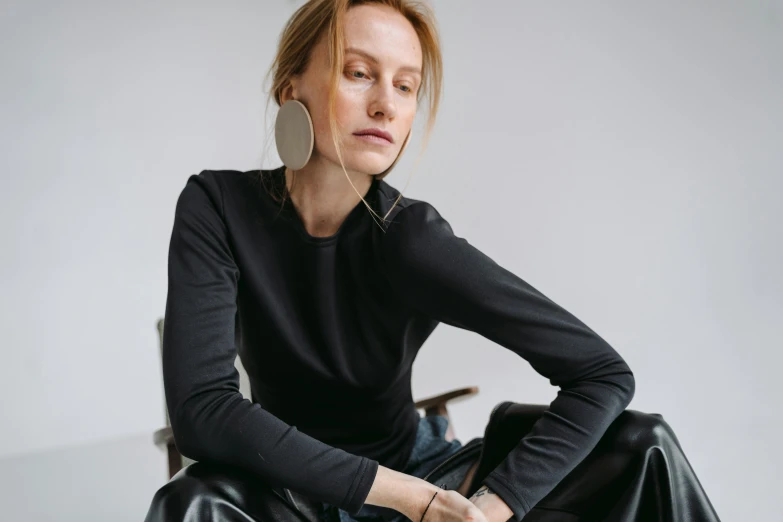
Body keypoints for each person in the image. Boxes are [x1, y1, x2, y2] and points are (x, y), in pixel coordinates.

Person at [145, 1, 721, 521]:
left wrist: (492, 507)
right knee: (189, 502)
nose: (385, 105)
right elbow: (202, 410)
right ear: (291, 87)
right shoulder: (217, 206)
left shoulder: (409, 238)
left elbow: (602, 373)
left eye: (405, 86)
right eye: (359, 73)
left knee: (644, 444)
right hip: (291, 494)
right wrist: (409, 499)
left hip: (427, 474)